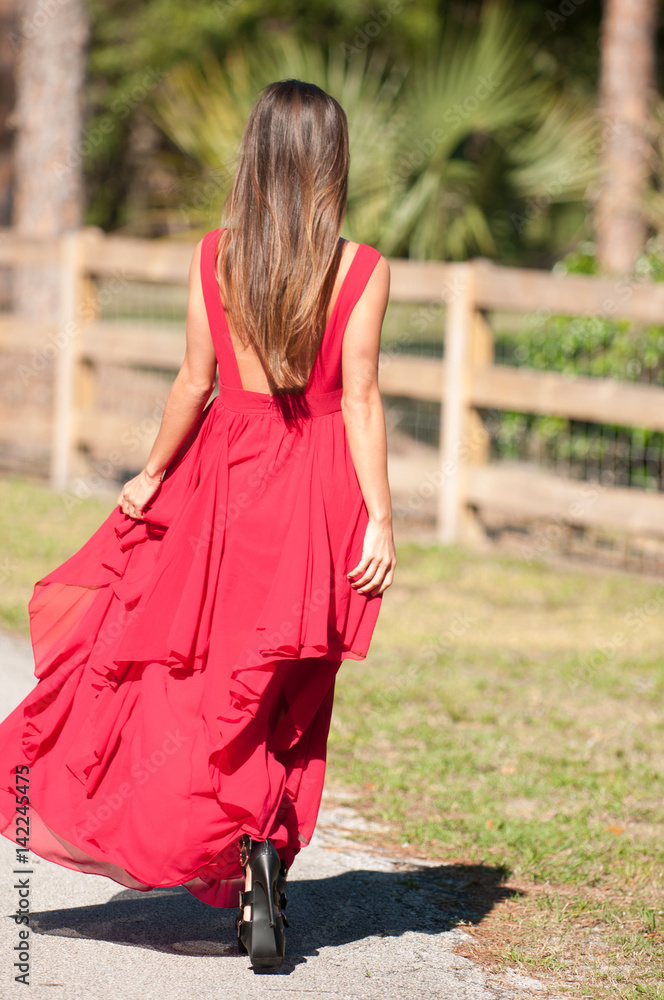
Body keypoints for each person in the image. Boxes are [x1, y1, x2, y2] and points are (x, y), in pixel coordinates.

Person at [0, 78, 396, 969]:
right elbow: (362, 397)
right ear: (331, 162)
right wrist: (380, 518)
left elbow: (194, 382)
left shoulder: (217, 256)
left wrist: (149, 473)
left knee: (214, 677)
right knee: (292, 685)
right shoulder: (361, 268)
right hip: (319, 488)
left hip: (227, 482)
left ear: (256, 154)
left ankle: (240, 838)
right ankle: (266, 843)